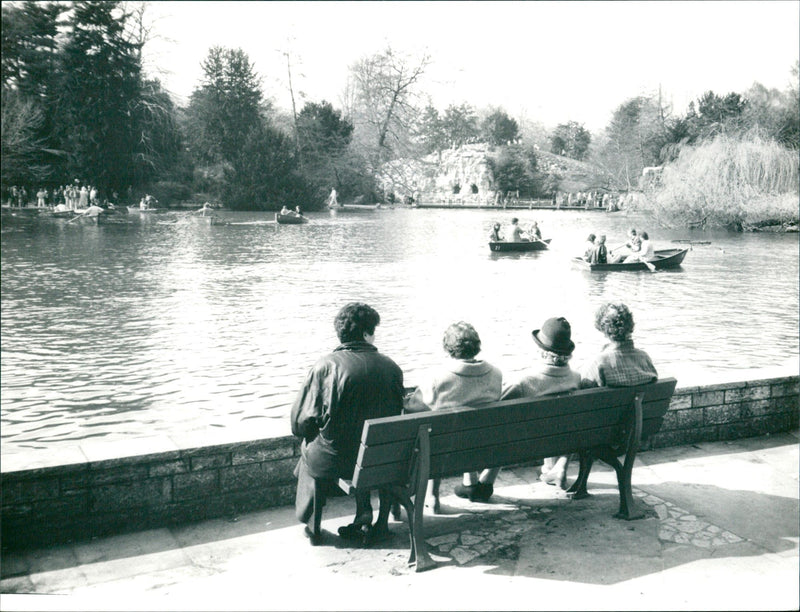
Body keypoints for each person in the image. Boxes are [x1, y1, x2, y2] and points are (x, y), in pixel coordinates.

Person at [290, 302, 404, 544]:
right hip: (381, 460)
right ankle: (378, 521)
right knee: (366, 444)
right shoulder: (392, 368)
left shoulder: (325, 366)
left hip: (337, 462)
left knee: (309, 450)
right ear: (366, 333)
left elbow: (299, 424)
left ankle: (313, 525)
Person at [405, 322, 503, 508]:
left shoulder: (437, 379)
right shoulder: (496, 374)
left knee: (432, 432)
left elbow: (412, 409)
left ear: (447, 348)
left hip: (445, 453)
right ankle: (473, 484)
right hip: (484, 448)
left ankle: (433, 496)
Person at [501, 317, 582, 489]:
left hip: (529, 445)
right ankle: (555, 469)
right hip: (562, 439)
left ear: (541, 350)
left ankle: (551, 469)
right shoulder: (576, 379)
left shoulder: (523, 381)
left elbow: (496, 408)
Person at [581, 302, 658, 388]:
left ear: (603, 329)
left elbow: (584, 388)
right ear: (630, 326)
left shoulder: (599, 363)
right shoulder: (644, 358)